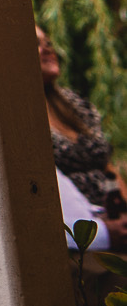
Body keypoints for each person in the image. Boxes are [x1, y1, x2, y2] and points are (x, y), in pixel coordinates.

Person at [39, 25, 127, 242]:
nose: (46, 49)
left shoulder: (74, 104)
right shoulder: (22, 116)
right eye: (35, 45)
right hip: (80, 234)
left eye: (48, 43)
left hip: (116, 219)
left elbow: (106, 166)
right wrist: (103, 231)